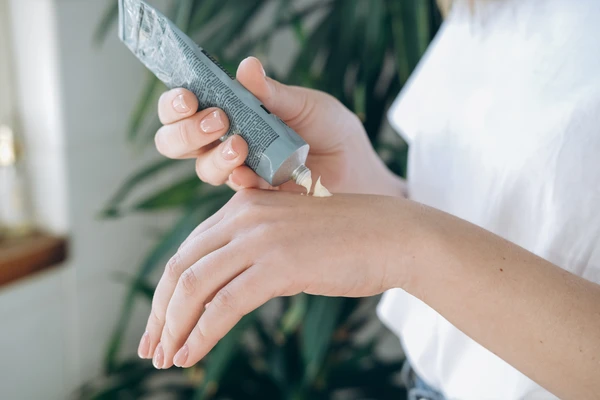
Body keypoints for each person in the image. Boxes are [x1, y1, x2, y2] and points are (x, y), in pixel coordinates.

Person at [135, 0, 600, 398]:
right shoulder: (488, 11)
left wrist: (400, 242)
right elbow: (493, 216)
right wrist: (361, 189)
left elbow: (418, 241)